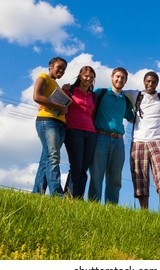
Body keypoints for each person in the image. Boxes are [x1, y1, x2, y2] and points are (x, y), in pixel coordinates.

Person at [125, 71, 160, 214]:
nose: (150, 84)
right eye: (148, 81)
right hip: (139, 141)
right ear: (144, 81)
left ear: (157, 83)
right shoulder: (135, 95)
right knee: (140, 177)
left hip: (158, 141)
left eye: (153, 82)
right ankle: (144, 212)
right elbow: (118, 90)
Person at [88, 67, 134, 204]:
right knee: (97, 175)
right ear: (112, 77)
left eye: (123, 78)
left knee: (115, 178)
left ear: (126, 81)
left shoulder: (125, 100)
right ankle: (93, 206)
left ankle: (111, 208)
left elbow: (132, 118)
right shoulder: (100, 93)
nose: (120, 79)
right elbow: (83, 99)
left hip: (119, 141)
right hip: (100, 138)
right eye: (117, 76)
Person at [32, 57, 68, 196]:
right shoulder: (43, 77)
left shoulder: (56, 85)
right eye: (59, 67)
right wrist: (60, 106)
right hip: (47, 121)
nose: (61, 71)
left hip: (59, 123)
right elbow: (37, 96)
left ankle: (37, 193)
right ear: (51, 66)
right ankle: (57, 195)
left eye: (64, 69)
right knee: (53, 156)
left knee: (46, 158)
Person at [63, 66, 97, 199]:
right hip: (73, 130)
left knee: (84, 168)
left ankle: (79, 198)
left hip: (90, 133)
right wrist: (62, 89)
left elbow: (92, 115)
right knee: (76, 165)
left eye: (91, 77)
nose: (88, 79)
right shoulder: (70, 90)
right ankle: (69, 196)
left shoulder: (93, 96)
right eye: (86, 76)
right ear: (80, 76)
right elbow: (60, 103)